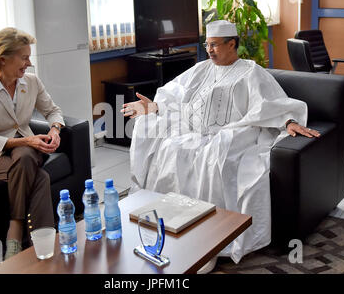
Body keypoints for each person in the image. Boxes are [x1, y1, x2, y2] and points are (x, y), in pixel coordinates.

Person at [121, 20, 320, 269]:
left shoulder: (250, 71)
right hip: (191, 128)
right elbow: (174, 94)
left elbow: (270, 101)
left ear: (232, 44)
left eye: (214, 45)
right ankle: (169, 225)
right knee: (164, 141)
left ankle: (210, 238)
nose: (209, 51)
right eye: (207, 45)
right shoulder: (201, 69)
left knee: (212, 155)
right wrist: (154, 106)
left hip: (232, 132)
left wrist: (287, 120)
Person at [0, 27, 65, 260]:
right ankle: (36, 240)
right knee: (38, 175)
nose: (29, 63)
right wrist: (27, 140)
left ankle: (16, 239)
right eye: (24, 57)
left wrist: (55, 128)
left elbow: (53, 110)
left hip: (24, 153)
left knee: (24, 154)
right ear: (3, 59)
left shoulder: (31, 82)